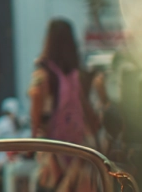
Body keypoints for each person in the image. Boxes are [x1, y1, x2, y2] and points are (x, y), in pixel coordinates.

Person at [28, 18, 99, 192]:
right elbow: (89, 116)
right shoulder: (77, 76)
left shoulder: (43, 75)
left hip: (52, 152)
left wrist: (31, 142)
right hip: (77, 152)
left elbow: (36, 112)